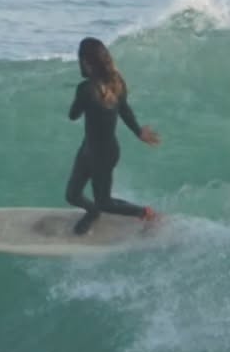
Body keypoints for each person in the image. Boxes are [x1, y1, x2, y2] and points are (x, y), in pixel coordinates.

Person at [65, 37, 160, 235]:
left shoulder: (85, 89)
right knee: (72, 195)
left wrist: (80, 98)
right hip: (89, 149)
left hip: (104, 155)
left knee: (105, 202)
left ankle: (145, 212)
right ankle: (93, 212)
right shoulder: (117, 82)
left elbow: (73, 115)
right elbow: (124, 110)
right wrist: (138, 131)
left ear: (86, 62)